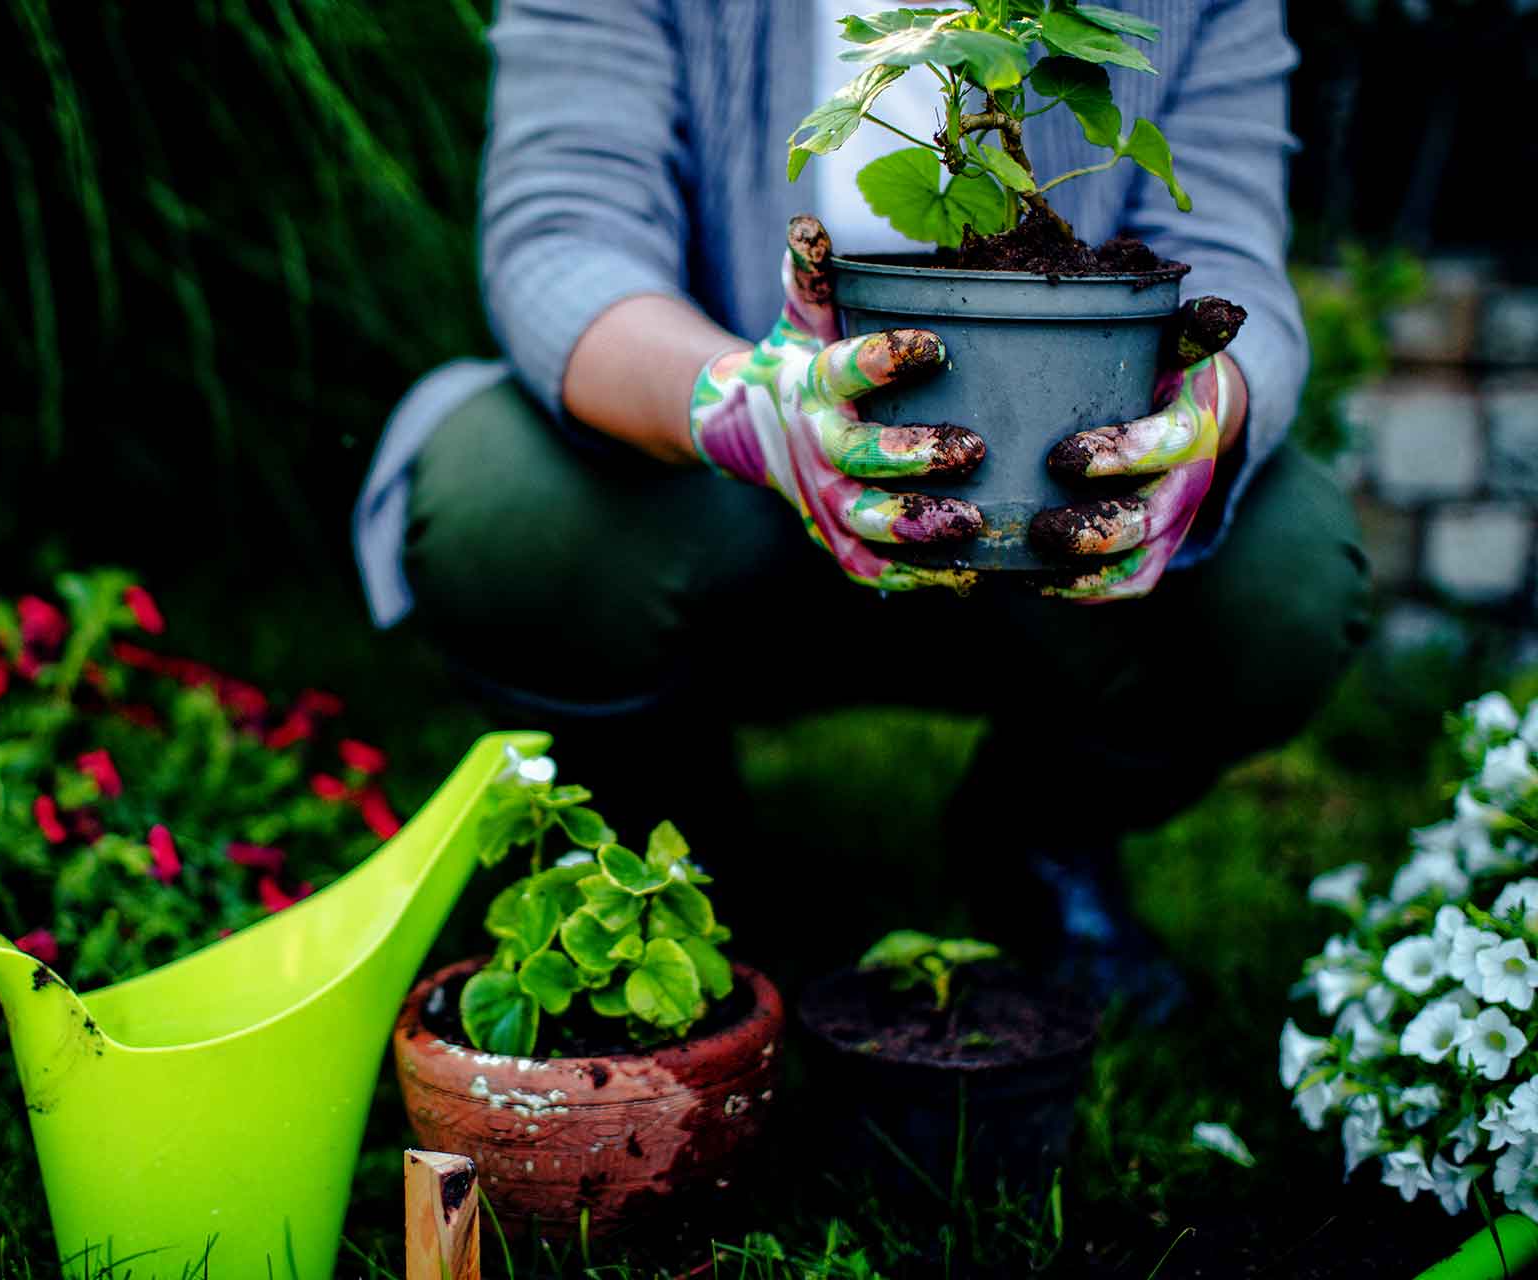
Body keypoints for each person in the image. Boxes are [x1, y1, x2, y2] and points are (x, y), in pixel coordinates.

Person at [352, 0, 1371, 1015]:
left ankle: (1042, 827)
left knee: (1286, 574)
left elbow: (1228, 254)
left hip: (1051, 494)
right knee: (502, 505)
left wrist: (1204, 411)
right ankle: (659, 807)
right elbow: (562, 236)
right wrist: (750, 405)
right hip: (707, 492)